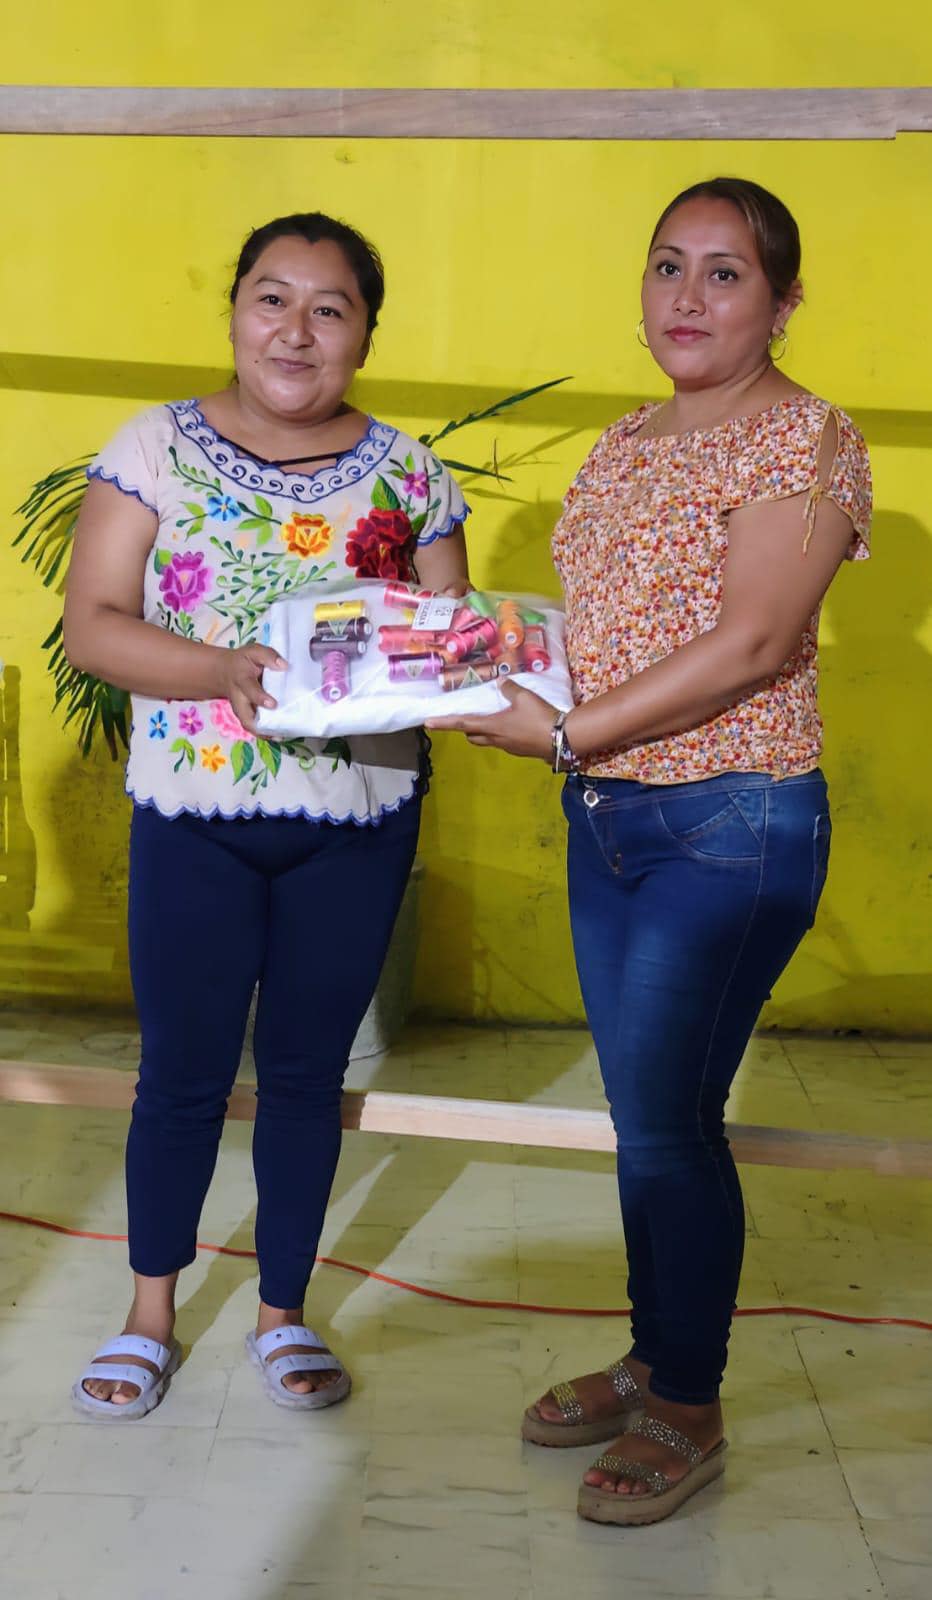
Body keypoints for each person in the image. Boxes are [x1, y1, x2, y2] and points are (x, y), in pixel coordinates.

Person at [429, 177, 870, 1524]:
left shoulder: (805, 439)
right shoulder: (624, 441)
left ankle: (687, 1400)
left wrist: (563, 734)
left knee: (672, 1123)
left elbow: (750, 642)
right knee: (643, 1117)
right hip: (610, 814)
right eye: (667, 265)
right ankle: (651, 1354)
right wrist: (479, 662)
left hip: (730, 819)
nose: (687, 295)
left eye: (724, 273)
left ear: (782, 302)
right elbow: (603, 628)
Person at [64, 211, 470, 1418]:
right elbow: (94, 625)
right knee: (179, 1074)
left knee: (304, 1074)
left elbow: (448, 645)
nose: (295, 329)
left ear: (365, 334)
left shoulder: (411, 474)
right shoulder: (154, 449)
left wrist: (476, 670)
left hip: (355, 822)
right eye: (270, 298)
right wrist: (219, 670)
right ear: (235, 311)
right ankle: (149, 1314)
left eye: (328, 307)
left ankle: (282, 1310)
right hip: (194, 814)